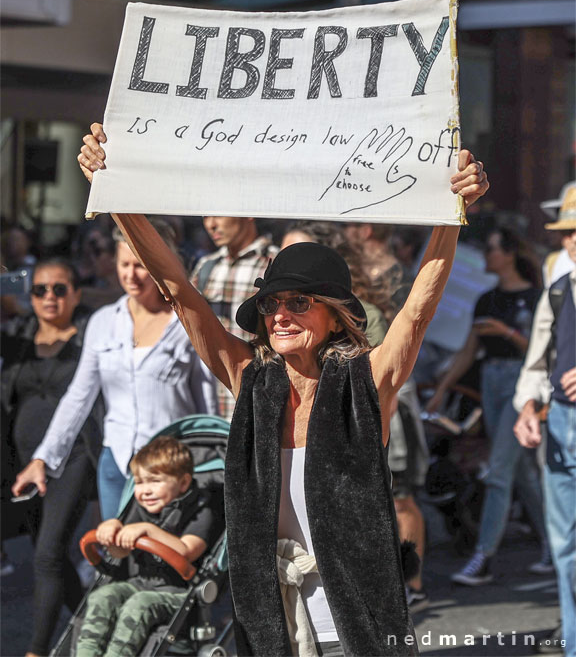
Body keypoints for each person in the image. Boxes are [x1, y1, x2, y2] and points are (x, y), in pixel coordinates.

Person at [77, 122, 487, 656]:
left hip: (355, 620)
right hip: (272, 620)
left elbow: (419, 308)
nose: (281, 314)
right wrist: (118, 200)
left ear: (336, 317)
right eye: (271, 304)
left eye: (299, 302)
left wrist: (453, 214)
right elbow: (177, 290)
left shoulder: (366, 382)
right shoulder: (252, 377)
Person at [13, 221, 217, 520]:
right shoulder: (104, 322)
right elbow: (78, 397)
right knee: (115, 558)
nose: (130, 275)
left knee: (165, 560)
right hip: (116, 462)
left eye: (140, 265)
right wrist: (43, 458)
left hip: (172, 467)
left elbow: (206, 405)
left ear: (160, 265)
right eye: (123, 264)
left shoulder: (187, 323)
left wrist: (210, 464)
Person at [281, 222, 429, 611]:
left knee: (398, 500)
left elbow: (383, 377)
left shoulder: (367, 317)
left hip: (378, 419)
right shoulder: (284, 323)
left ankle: (408, 586)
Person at [426, 227, 550, 585]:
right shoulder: (485, 299)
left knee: (498, 471)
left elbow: (544, 352)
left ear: (509, 254)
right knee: (521, 472)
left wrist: (507, 333)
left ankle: (483, 556)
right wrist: (443, 390)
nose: (487, 256)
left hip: (522, 380)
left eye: (493, 249)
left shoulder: (538, 296)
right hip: (492, 382)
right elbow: (468, 350)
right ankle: (554, 544)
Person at [1, 258, 101, 657]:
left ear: (76, 293)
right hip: (24, 463)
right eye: (40, 289)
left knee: (46, 552)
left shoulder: (90, 338)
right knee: (52, 553)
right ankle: (94, 623)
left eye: (60, 289)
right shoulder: (20, 336)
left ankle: (36, 650)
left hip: (74, 456)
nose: (50, 297)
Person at [76, 435, 222, 657]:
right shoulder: (140, 507)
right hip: (138, 583)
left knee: (139, 604)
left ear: (183, 482)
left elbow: (186, 551)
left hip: (179, 593)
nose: (145, 490)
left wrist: (148, 530)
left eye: (155, 481)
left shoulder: (202, 510)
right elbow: (120, 552)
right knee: (103, 595)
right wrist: (111, 531)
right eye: (139, 482)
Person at [513, 187, 576, 657]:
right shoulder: (558, 286)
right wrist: (527, 408)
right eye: (567, 232)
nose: (571, 241)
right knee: (565, 549)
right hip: (561, 426)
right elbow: (537, 360)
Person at [191, 216, 278, 420]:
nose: (211, 224)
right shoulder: (206, 267)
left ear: (247, 213)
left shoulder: (275, 262)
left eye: (218, 213)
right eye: (205, 215)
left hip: (259, 406)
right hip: (210, 411)